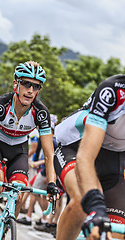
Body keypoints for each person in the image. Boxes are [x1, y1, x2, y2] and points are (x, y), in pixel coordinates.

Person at [0, 61, 59, 240]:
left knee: (18, 193)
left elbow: (49, 154)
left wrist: (52, 183)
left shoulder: (41, 113)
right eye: (26, 84)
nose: (30, 90)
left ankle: (4, 234)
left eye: (36, 86)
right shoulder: (2, 104)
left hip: (19, 150)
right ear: (15, 84)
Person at [54, 74, 125, 240]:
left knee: (117, 232)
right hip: (76, 147)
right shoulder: (113, 90)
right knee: (81, 202)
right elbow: (85, 158)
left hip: (113, 161)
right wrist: (96, 206)